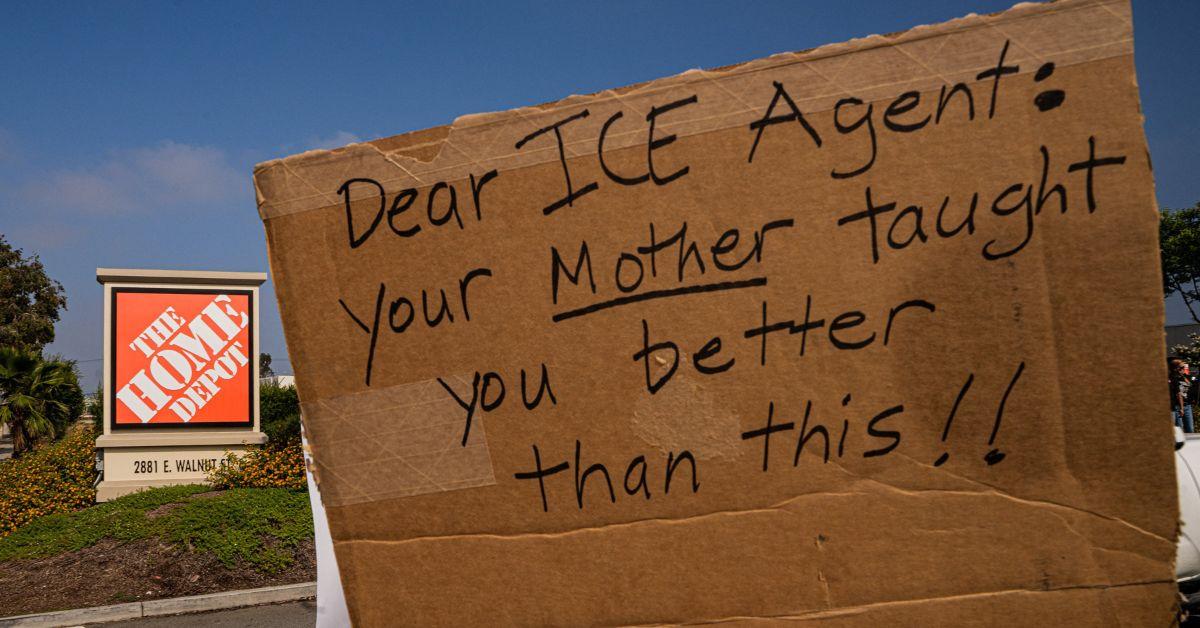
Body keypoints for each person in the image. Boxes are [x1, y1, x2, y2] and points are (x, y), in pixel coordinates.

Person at [1172, 358, 1195, 433]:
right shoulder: (1173, 378)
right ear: (1176, 368)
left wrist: (1183, 376)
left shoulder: (1185, 376)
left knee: (1190, 429)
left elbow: (1191, 385)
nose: (1183, 369)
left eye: (1184, 367)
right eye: (1181, 367)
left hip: (1188, 405)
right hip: (1178, 406)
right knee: (1180, 430)